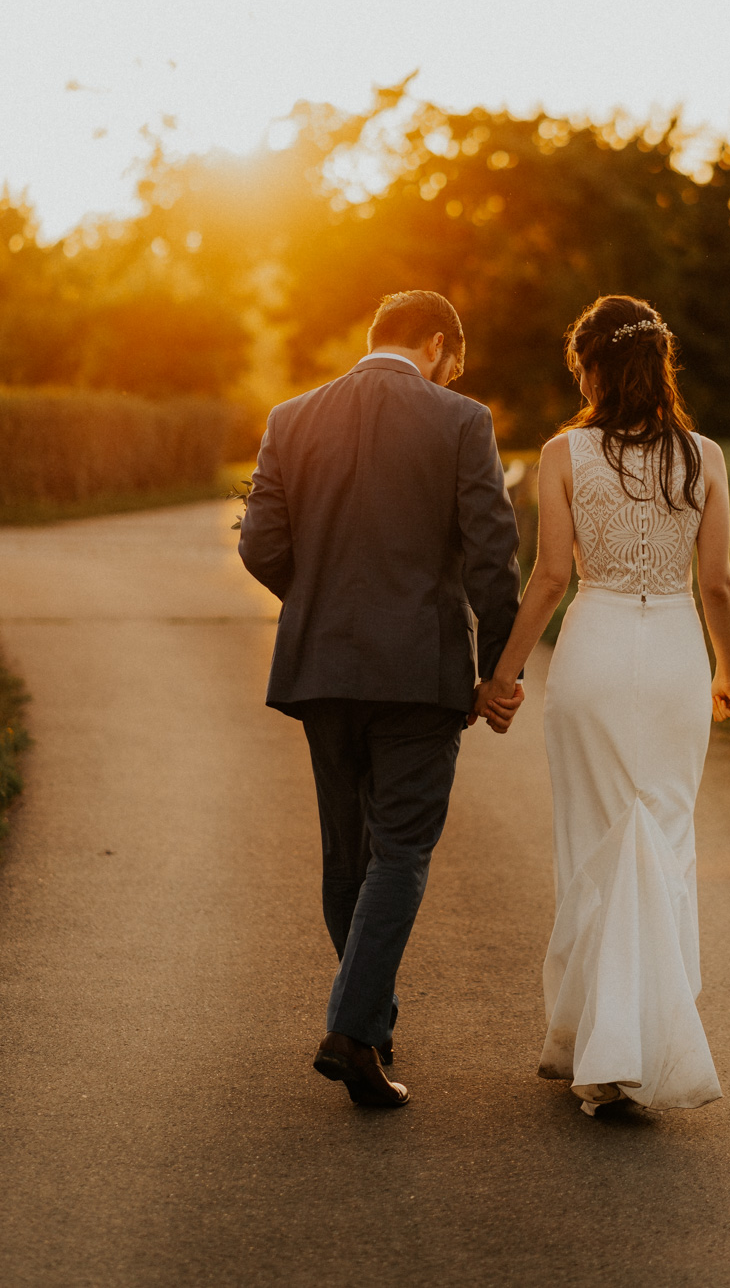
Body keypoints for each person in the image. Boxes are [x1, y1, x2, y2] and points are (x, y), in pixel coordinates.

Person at [239, 290, 524, 1108]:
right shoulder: (462, 421)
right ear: (436, 344)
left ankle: (367, 1024)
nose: (453, 376)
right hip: (421, 673)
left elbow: (260, 543)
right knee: (398, 852)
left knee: (347, 854)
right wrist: (498, 670)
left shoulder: (290, 416)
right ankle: (353, 1032)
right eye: (454, 363)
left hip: (321, 670)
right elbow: (491, 556)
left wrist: (323, 606)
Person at [476, 294, 730, 1115]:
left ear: (591, 367)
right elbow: (716, 582)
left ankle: (598, 1051)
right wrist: (726, 671)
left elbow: (552, 577)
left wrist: (504, 675)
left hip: (592, 655)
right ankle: (628, 1048)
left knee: (592, 844)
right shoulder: (703, 456)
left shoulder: (564, 453)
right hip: (671, 660)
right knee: (660, 840)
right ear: (657, 364)